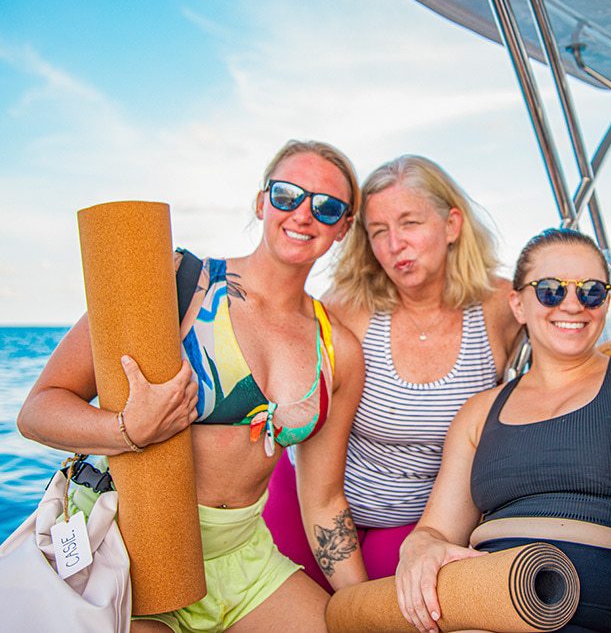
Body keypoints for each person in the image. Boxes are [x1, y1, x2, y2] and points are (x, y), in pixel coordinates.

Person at [17, 140, 367, 632]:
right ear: (262, 201)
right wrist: (125, 430)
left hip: (243, 560)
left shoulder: (339, 350)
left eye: (327, 206)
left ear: (345, 227)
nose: (304, 214)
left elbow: (325, 502)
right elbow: (37, 411)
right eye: (288, 195)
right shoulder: (177, 283)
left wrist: (371, 607)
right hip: (131, 549)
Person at [263, 155, 521, 587]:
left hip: (416, 525)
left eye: (410, 223)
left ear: (452, 225)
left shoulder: (500, 307)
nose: (394, 245)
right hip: (308, 502)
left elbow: (567, 328)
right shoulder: (347, 310)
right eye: (378, 231)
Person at [396, 227, 611, 633]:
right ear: (517, 304)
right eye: (550, 290)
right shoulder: (479, 412)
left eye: (591, 292)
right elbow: (437, 528)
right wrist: (419, 547)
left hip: (604, 609)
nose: (572, 305)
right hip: (489, 605)